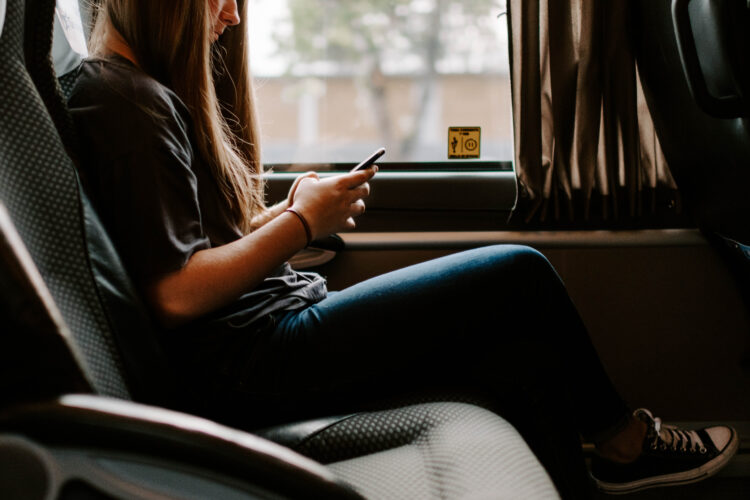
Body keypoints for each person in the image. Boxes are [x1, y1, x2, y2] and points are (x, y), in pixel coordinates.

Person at [68, 0, 739, 497]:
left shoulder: (135, 95)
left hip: (262, 337)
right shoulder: (123, 103)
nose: (232, 16)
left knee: (520, 354)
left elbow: (178, 250)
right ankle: (624, 443)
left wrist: (287, 212)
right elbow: (176, 292)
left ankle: (592, 481)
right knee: (519, 274)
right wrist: (301, 226)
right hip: (253, 361)